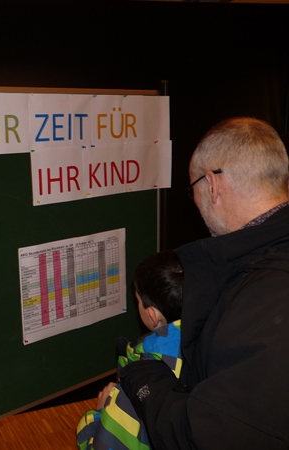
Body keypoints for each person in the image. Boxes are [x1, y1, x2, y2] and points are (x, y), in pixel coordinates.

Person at [118, 117, 289, 449]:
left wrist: (142, 376)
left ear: (211, 185)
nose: (195, 201)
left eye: (192, 189)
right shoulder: (261, 266)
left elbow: (201, 435)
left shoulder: (266, 295)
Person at [76, 250, 184, 450]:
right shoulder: (216, 342)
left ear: (152, 315)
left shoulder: (139, 381)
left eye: (138, 302)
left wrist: (99, 413)